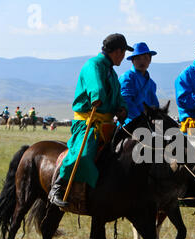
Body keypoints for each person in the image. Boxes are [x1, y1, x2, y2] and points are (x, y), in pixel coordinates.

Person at [49, 33, 133, 207]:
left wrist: (122, 107)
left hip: (108, 124)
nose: (124, 56)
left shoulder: (111, 71)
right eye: (124, 52)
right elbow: (96, 86)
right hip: (88, 122)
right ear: (117, 51)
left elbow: (117, 96)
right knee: (84, 154)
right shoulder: (92, 65)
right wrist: (96, 95)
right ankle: (57, 186)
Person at [119, 42, 159, 125]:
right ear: (132, 61)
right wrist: (142, 120)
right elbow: (126, 103)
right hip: (129, 122)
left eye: (145, 58)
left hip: (148, 123)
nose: (142, 61)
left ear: (150, 60)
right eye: (138, 58)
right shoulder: (126, 78)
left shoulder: (151, 84)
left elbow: (155, 106)